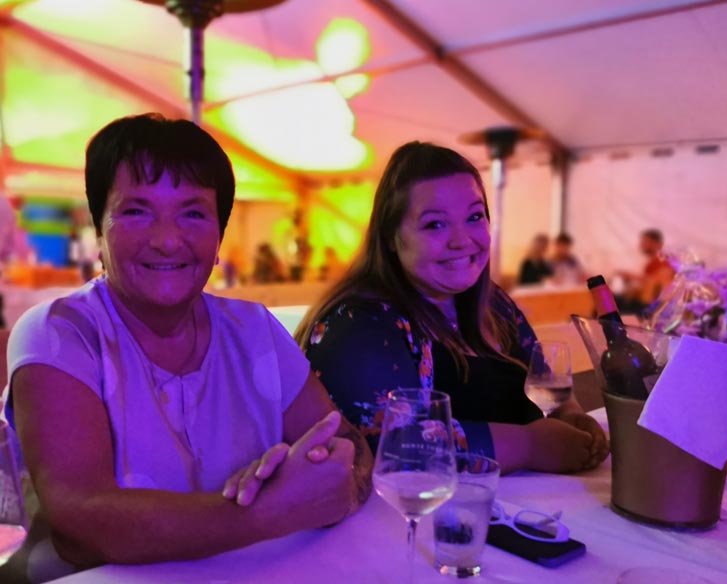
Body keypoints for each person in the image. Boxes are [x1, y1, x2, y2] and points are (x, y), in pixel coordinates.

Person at [1, 114, 372, 583]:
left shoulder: (254, 330)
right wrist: (271, 511)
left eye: (193, 213)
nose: (167, 239)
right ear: (98, 232)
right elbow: (81, 519)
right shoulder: (60, 333)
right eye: (136, 211)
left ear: (218, 240)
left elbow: (348, 444)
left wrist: (335, 474)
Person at [295, 142, 608, 476]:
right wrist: (530, 446)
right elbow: (394, 446)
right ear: (390, 237)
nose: (462, 240)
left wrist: (569, 413)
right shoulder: (358, 324)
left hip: (525, 502)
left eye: (474, 217)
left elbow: (544, 380)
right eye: (435, 224)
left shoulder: (494, 304)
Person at [617, 228, 675, 315]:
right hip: (647, 301)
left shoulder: (666, 260)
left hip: (659, 305)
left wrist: (631, 276)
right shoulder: (650, 264)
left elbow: (659, 280)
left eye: (644, 242)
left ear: (655, 244)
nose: (641, 245)